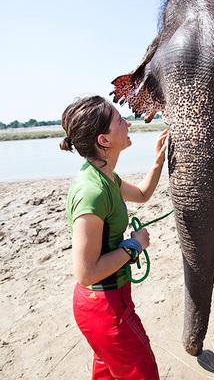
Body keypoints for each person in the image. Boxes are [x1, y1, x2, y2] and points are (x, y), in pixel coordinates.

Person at [60, 95, 168, 380]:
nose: (128, 123)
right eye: (120, 120)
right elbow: (85, 273)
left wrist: (158, 161)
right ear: (104, 141)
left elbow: (143, 195)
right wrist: (134, 246)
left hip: (111, 301)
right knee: (143, 373)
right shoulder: (91, 191)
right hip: (103, 307)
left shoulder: (106, 177)